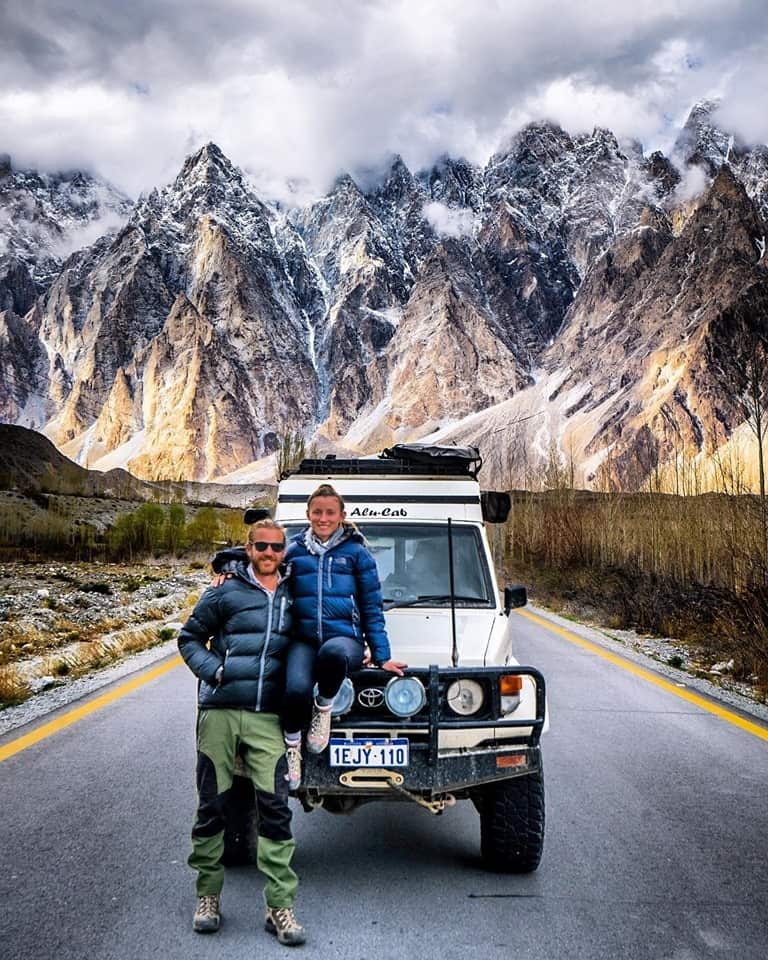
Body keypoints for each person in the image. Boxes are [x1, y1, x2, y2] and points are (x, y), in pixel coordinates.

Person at [213, 484, 407, 792]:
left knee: (333, 653)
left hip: (345, 639)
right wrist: (228, 568)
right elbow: (261, 558)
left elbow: (371, 607)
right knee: (294, 690)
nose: (323, 518)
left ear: (342, 515)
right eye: (317, 512)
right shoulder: (295, 551)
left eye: (330, 512)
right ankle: (293, 749)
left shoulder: (357, 554)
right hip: (302, 640)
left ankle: (323, 708)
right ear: (308, 514)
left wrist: (382, 656)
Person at [178, 518, 305, 946]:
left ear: (284, 552)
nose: (269, 553)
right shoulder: (224, 591)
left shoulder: (294, 592)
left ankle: (279, 906)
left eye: (276, 547)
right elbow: (189, 638)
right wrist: (215, 671)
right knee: (212, 806)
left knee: (276, 809)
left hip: (267, 717)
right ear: (248, 549)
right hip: (220, 712)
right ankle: (208, 897)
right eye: (261, 546)